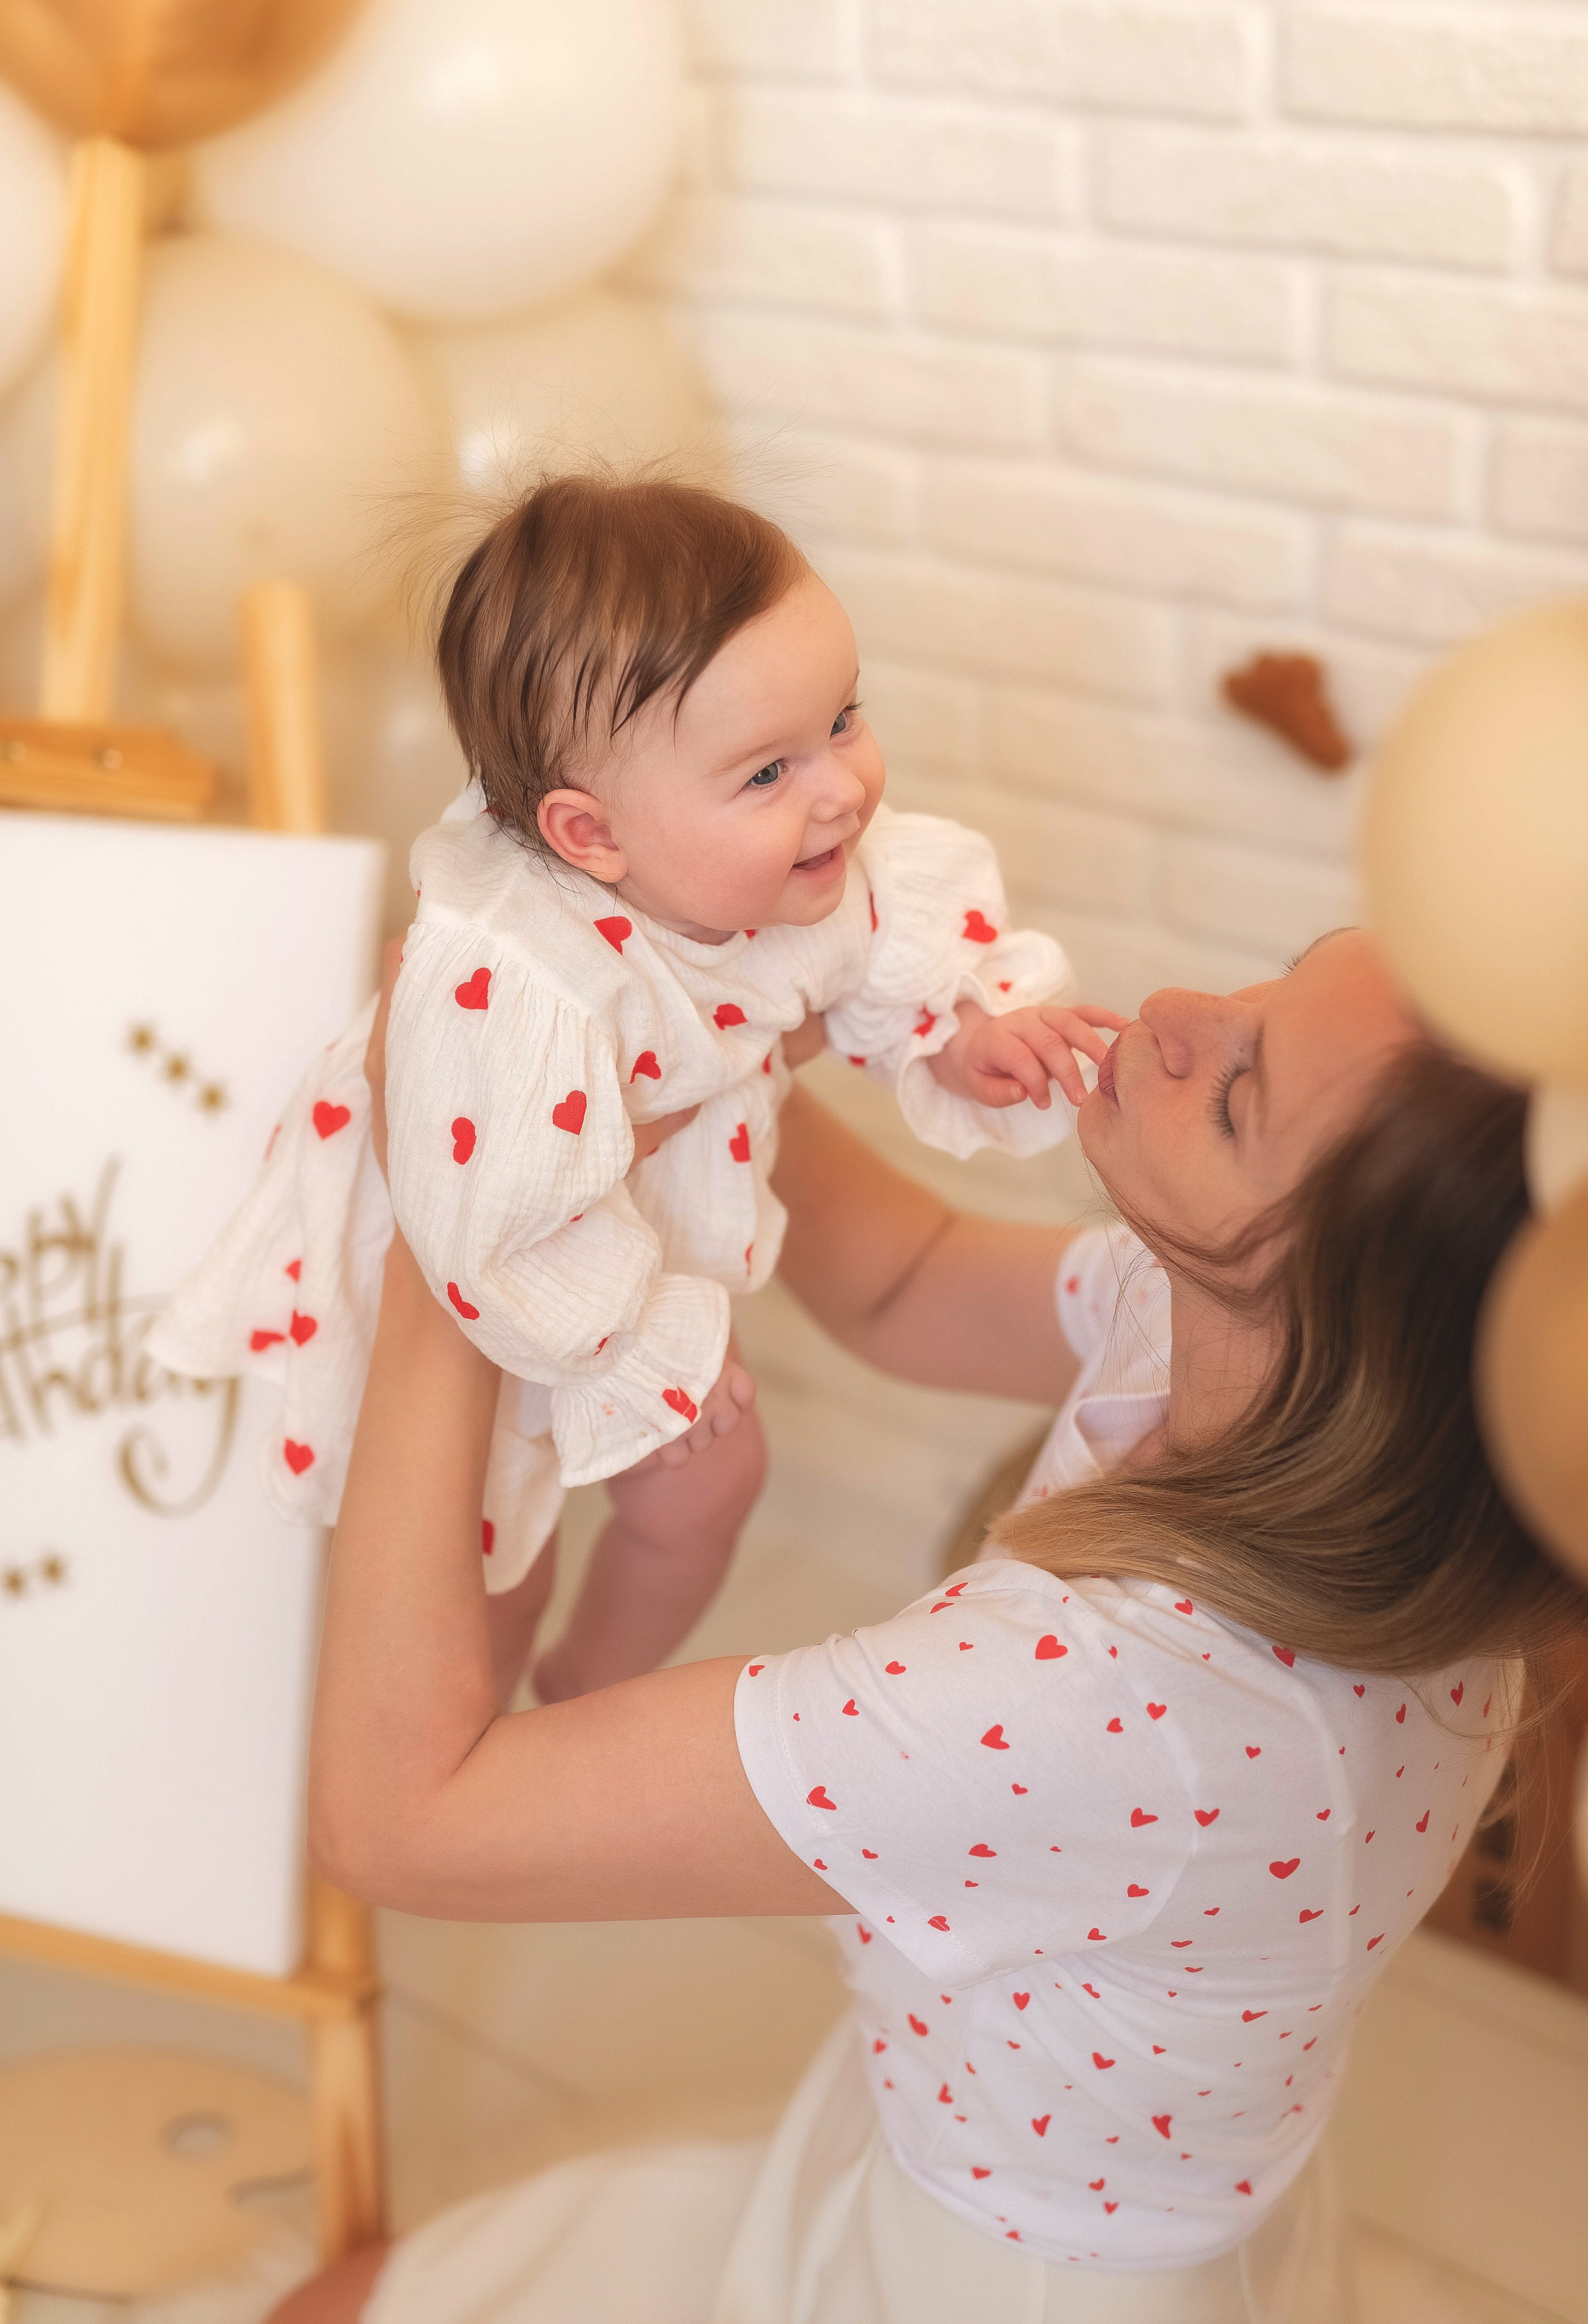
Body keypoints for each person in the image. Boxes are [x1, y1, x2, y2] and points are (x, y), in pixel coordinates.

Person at [271, 930, 1587, 2324]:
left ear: (1348, 1318)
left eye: (1236, 1095)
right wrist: (684, 1033)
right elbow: (907, 1282)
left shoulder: (1095, 1706)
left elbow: (398, 1818)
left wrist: (452, 1228)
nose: (1180, 1011)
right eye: (1271, 978)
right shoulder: (1378, 1464)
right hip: (1069, 2165)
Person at [151, 475, 1120, 1703]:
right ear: (588, 837)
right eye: (765, 772)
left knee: (715, 1484)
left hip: (598, 1228)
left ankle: (578, 1698)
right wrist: (642, 1348)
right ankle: (491, 1714)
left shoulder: (787, 863)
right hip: (478, 1263)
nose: (838, 789)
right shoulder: (517, 983)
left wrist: (960, 1027)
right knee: (492, 1559)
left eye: (842, 719)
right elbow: (483, 1238)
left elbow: (888, 934)